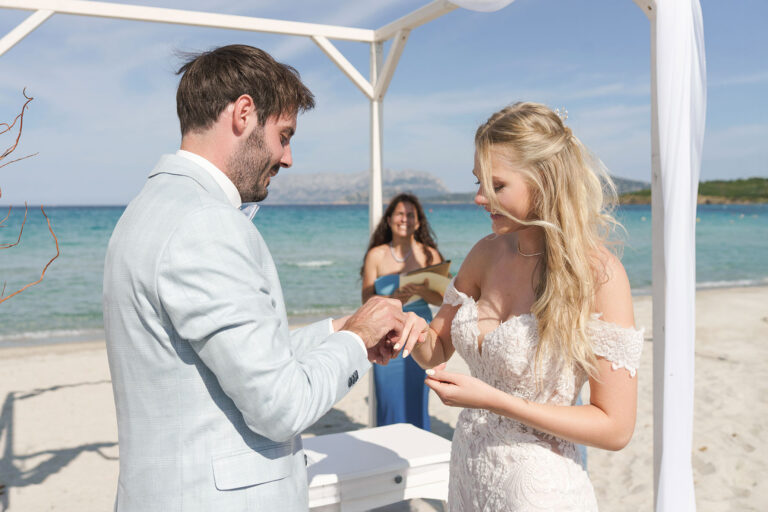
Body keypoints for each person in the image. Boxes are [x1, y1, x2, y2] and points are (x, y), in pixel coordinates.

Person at [102, 45, 426, 512]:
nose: (288, 157)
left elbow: (236, 364)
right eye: (284, 135)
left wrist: (338, 330)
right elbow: (281, 406)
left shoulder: (149, 210)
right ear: (244, 113)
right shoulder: (205, 223)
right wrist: (356, 341)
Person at [403, 102, 644, 510]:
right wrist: (408, 327)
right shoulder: (484, 252)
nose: (480, 198)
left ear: (544, 181)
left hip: (539, 491)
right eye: (479, 182)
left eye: (497, 186)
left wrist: (494, 400)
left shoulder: (598, 275)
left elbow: (615, 428)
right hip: (468, 476)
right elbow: (434, 350)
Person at [360, 193, 444, 429]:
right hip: (384, 333)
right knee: (387, 398)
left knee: (417, 396)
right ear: (389, 220)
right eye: (399, 214)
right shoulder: (376, 255)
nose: (404, 219)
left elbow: (442, 298)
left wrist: (420, 290)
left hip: (420, 335)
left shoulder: (429, 254)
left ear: (418, 222)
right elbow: (366, 298)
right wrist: (392, 298)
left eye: (410, 215)